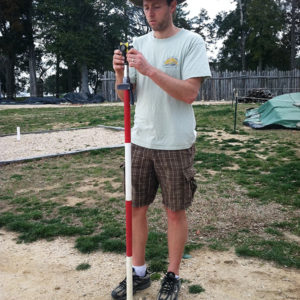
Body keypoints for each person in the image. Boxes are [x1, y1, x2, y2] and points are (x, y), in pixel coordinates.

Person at [112, 0, 211, 299]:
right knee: (136, 209)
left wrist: (149, 69)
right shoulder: (137, 46)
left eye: (156, 6)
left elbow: (190, 93)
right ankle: (139, 273)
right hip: (141, 141)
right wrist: (120, 74)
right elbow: (127, 99)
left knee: (174, 212)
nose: (150, 13)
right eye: (145, 7)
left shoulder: (191, 42)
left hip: (175, 143)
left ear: (172, 7)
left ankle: (173, 275)